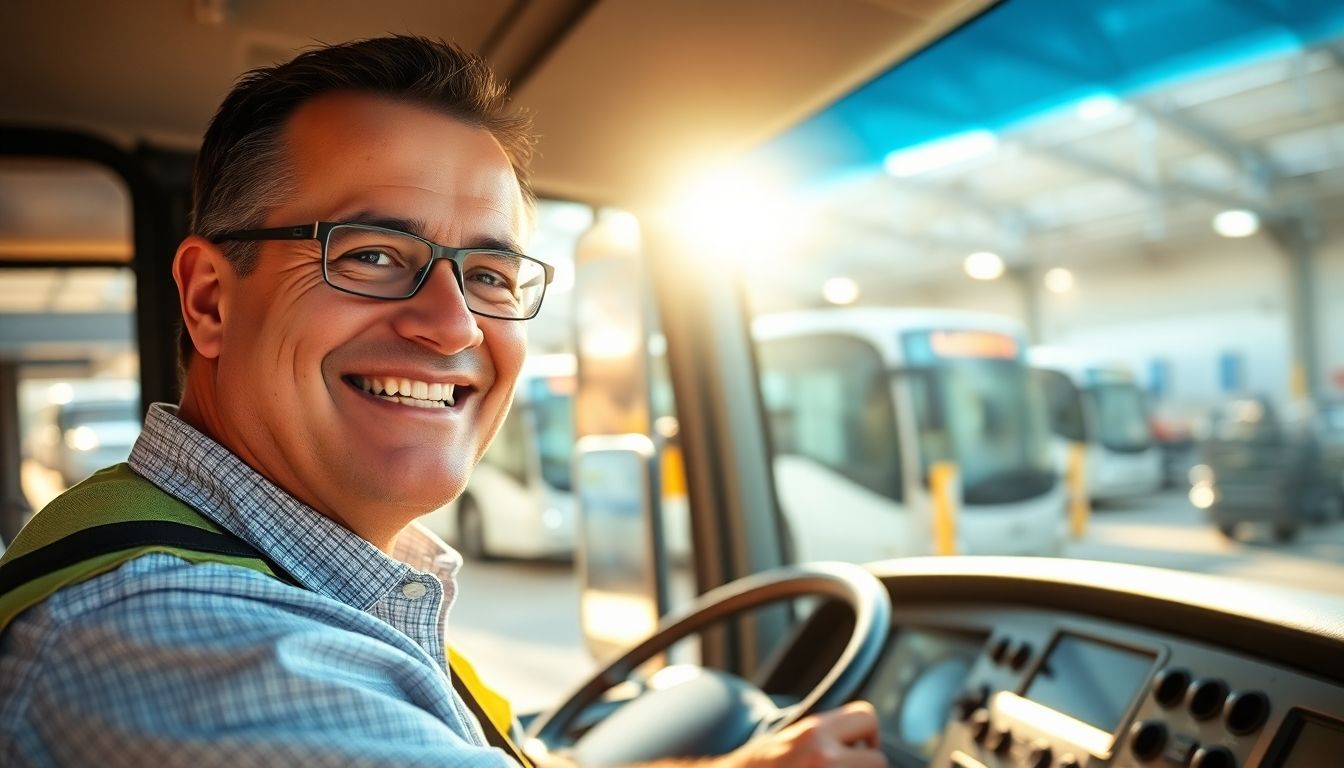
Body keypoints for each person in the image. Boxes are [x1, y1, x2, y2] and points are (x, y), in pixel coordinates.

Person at [0, 36, 887, 768]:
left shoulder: (295, 580)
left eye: (492, 273)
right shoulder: (182, 636)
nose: (453, 324)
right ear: (209, 300)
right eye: (374, 254)